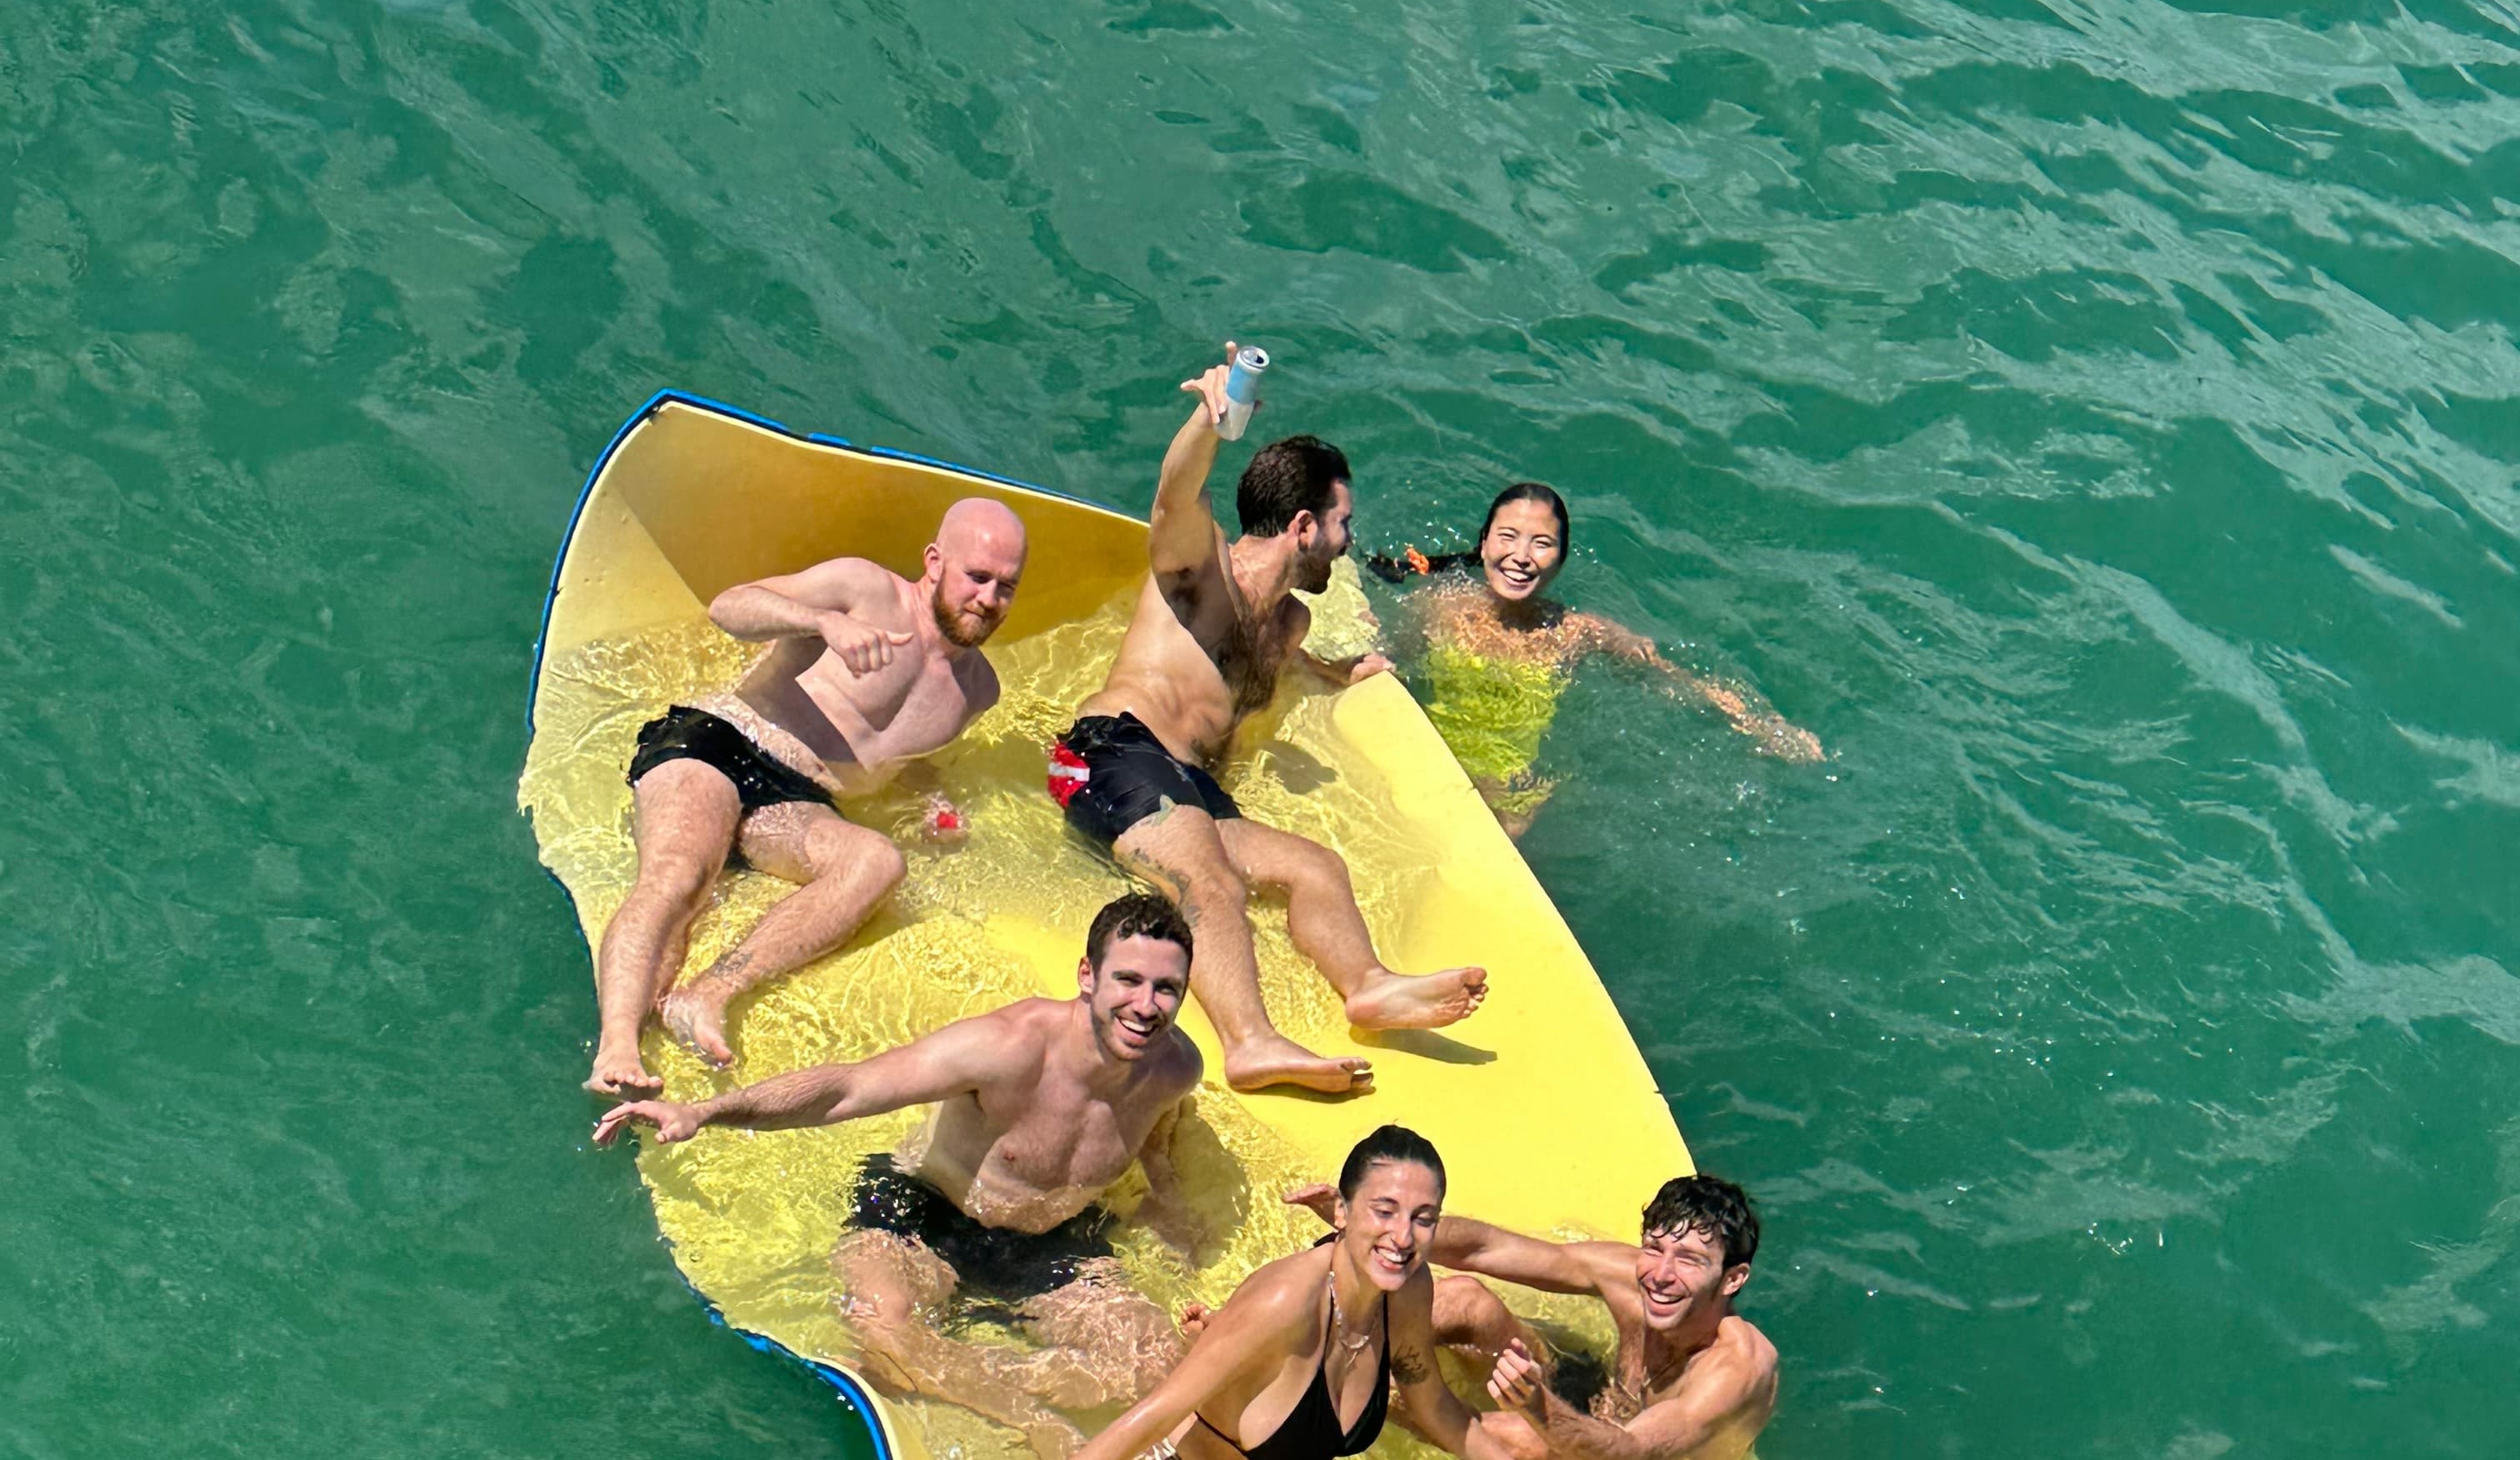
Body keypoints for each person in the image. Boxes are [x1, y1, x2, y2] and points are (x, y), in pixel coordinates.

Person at [593, 894, 1200, 1458]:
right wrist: (703, 1112)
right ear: (1088, 976)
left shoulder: (1176, 1070)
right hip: (925, 1217)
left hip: (1048, 1244)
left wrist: (1167, 1196)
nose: (1146, 1007)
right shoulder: (1006, 1048)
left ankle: (948, 1370)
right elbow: (849, 1088)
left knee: (1160, 1361)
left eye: (1167, 989)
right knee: (879, 1318)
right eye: (1129, 980)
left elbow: (1157, 1126)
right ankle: (1018, 1408)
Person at [1046, 354, 1488, 1098]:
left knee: (1315, 867)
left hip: (1189, 786)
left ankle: (1369, 985)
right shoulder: (1203, 568)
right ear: (1305, 525)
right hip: (1111, 752)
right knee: (1210, 880)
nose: (1349, 542)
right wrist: (1207, 422)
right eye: (1343, 524)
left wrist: (1350, 675)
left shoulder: (1289, 621)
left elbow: (1296, 669)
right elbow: (1173, 497)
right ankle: (1249, 1044)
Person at [936, 1125, 1594, 1460]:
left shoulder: (1409, 1290)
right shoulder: (1285, 1302)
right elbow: (1156, 1414)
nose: (1402, 1237)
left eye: (1422, 1220)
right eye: (1384, 1211)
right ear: (1342, 1211)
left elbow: (1439, 1411)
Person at [588, 500, 1030, 1095]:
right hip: (722, 740)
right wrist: (820, 623)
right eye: (977, 577)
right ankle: (617, 1046)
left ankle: (707, 995)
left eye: (1006, 587)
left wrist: (932, 800)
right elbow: (729, 607)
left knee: (878, 863)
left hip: (797, 803)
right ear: (934, 562)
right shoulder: (865, 589)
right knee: (681, 875)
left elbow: (906, 757)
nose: (988, 600)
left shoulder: (978, 691)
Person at [1289, 1169, 1776, 1460]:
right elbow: (1486, 1249)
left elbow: (1626, 1459)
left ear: (1733, 1278)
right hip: (1594, 1406)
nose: (1660, 1275)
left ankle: (1313, 1388)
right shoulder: (1638, 1279)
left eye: (1690, 1260)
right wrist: (1373, 1226)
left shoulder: (1735, 1368)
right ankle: (1297, 1333)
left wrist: (1536, 1406)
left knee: (1517, 1437)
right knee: (1466, 1299)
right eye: (1654, 1248)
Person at [1365, 482, 1821, 834]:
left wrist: (1762, 726)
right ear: (1483, 544)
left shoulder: (1578, 632)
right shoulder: (1440, 604)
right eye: (1508, 537)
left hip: (1512, 790)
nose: (1521, 556)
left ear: (1560, 559)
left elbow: (1673, 678)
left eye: (1542, 543)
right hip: (1429, 755)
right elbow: (1388, 663)